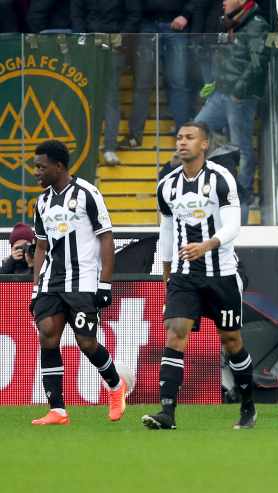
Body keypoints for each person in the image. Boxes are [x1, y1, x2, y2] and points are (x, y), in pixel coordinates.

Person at [141, 121, 257, 430]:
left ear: (204, 144)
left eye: (189, 137)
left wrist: (206, 246)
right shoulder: (167, 185)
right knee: (175, 333)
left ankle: (248, 405)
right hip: (184, 275)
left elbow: (233, 225)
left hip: (222, 273)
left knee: (231, 340)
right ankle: (167, 412)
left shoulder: (221, 179)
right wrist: (167, 271)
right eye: (179, 137)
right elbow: (167, 229)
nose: (182, 142)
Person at [29, 139, 126, 425]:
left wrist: (105, 283)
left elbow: (106, 237)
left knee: (86, 342)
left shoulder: (87, 194)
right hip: (51, 281)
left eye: (41, 167)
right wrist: (36, 286)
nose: (36, 172)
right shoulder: (42, 202)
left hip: (83, 281)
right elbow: (41, 246)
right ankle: (57, 410)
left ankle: (116, 385)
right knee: (47, 334)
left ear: (59, 166)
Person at [194, 0, 270, 217]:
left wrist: (238, 91)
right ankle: (205, 184)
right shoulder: (232, 22)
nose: (224, 2)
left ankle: (242, 193)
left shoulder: (256, 25)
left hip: (240, 98)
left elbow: (258, 63)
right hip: (221, 93)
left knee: (241, 146)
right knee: (197, 129)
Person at [119, 0, 201, 150]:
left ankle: (184, 137)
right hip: (147, 24)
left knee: (178, 83)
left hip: (177, 25)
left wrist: (185, 15)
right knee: (142, 83)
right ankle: (134, 136)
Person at [70, 0, 142, 166]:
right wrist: (83, 37)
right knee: (88, 99)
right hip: (88, 46)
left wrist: (121, 36)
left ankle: (109, 148)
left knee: (110, 99)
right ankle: (91, 150)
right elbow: (76, 15)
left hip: (114, 45)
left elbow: (134, 13)